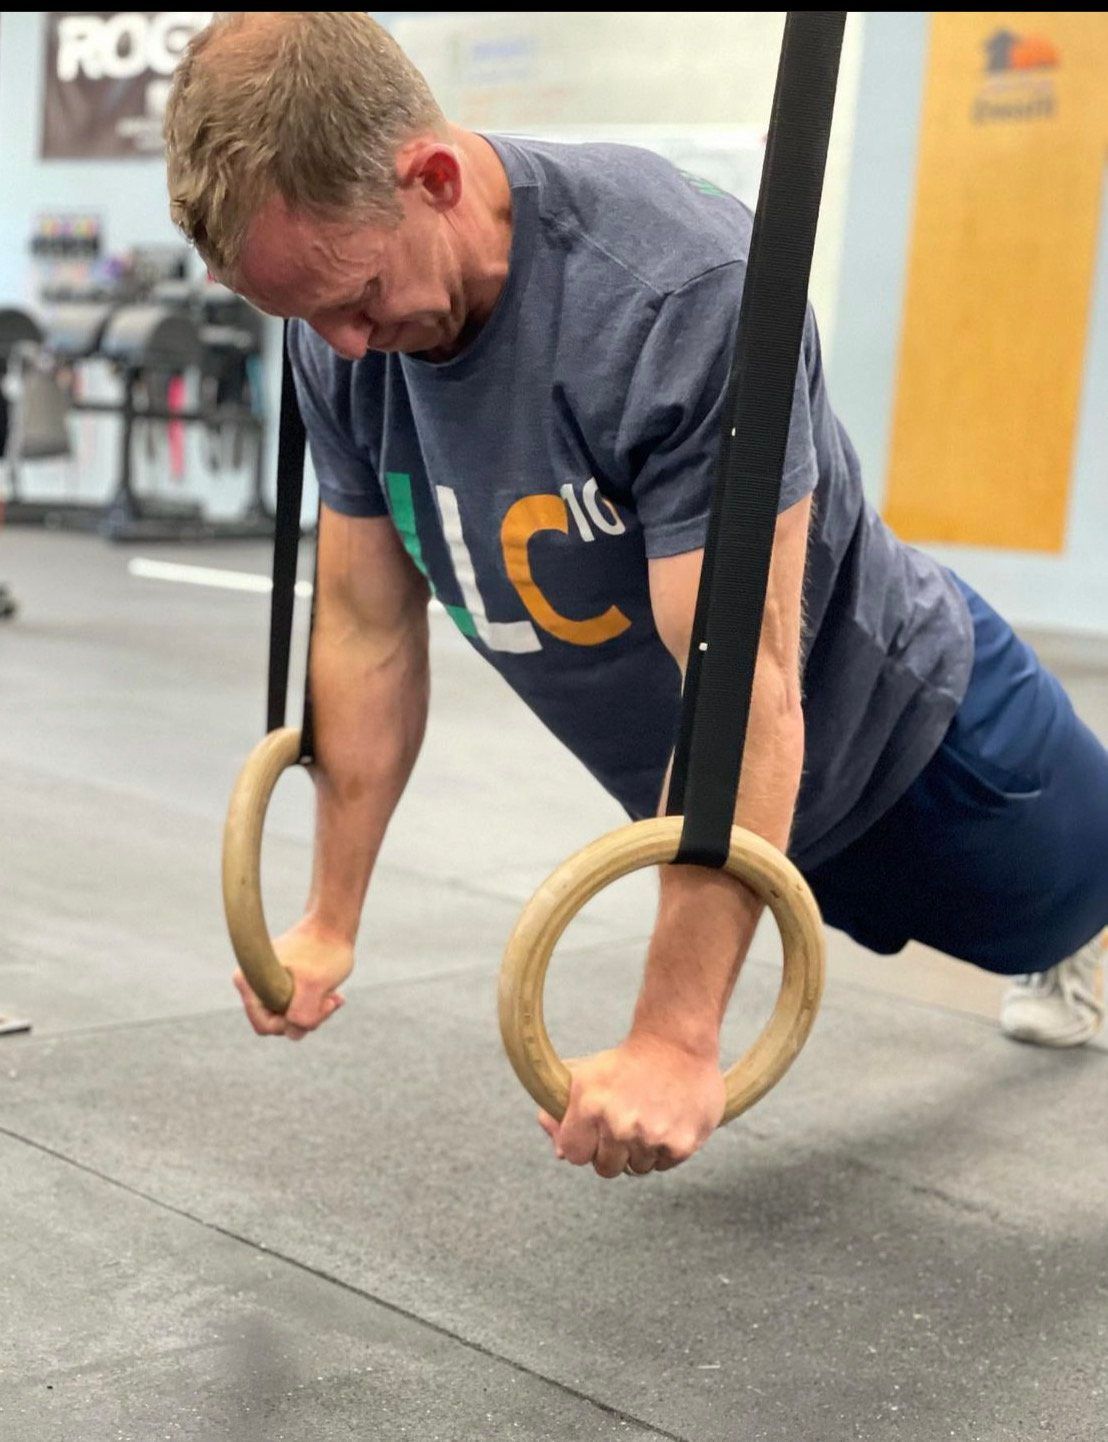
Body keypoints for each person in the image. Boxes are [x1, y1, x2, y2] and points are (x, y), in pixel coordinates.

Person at [164, 12, 1107, 1179]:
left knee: (1071, 905)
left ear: (436, 177)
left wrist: (673, 1032)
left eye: (352, 298)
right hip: (703, 808)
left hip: (919, 746)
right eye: (304, 315)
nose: (344, 347)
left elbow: (742, 683)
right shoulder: (343, 339)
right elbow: (364, 626)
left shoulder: (672, 293)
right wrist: (326, 916)